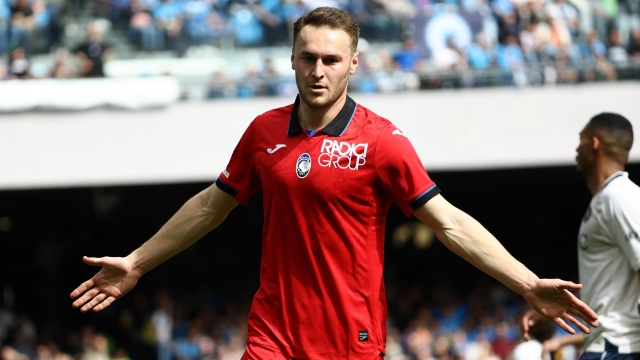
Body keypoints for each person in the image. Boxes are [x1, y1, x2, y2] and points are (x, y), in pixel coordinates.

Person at [70, 7, 599, 360]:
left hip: (350, 339)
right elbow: (211, 206)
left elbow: (449, 223)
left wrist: (527, 284)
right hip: (271, 333)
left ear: (353, 65)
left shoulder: (383, 142)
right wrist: (136, 262)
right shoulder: (263, 132)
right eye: (307, 58)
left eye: (331, 60)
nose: (318, 70)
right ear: (292, 60)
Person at [522, 113, 639, 359]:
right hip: (606, 348)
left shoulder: (619, 196)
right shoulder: (606, 199)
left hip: (617, 351)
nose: (577, 148)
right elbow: (611, 291)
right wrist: (559, 308)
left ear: (594, 143)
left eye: (581, 139)